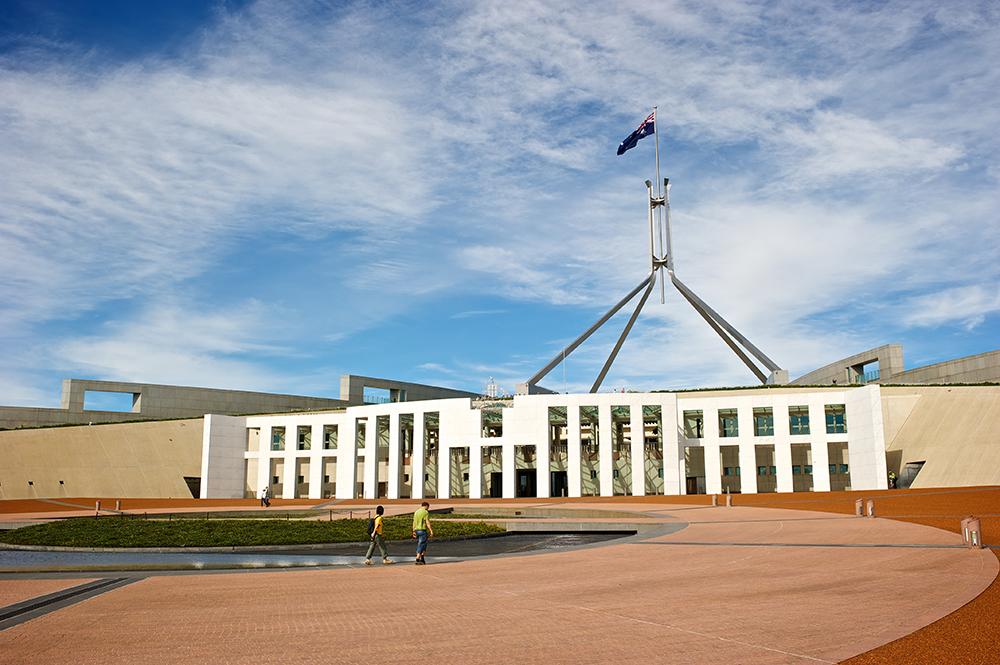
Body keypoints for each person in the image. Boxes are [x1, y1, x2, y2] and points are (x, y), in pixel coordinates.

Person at [412, 501, 433, 565]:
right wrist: (431, 530)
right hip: (422, 530)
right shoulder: (425, 512)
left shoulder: (416, 512)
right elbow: (427, 522)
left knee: (424, 544)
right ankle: (417, 559)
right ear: (426, 506)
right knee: (421, 544)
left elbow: (414, 522)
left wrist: (413, 531)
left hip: (416, 530)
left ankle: (422, 558)